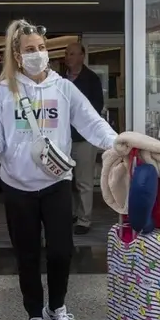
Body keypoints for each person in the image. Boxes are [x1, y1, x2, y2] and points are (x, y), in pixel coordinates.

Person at [0, 19, 117, 320]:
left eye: (41, 48)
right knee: (27, 256)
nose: (37, 53)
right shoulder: (2, 91)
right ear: (17, 54)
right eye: (29, 49)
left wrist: (118, 144)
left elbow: (92, 122)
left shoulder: (63, 88)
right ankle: (35, 314)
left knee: (61, 252)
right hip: (17, 186)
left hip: (56, 183)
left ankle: (57, 308)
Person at [62, 42, 104, 235]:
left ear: (82, 56)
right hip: (64, 138)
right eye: (67, 54)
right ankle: (71, 213)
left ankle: (84, 219)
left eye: (72, 54)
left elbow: (96, 107)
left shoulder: (91, 79)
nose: (68, 57)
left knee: (84, 181)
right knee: (66, 179)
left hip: (84, 138)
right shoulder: (61, 80)